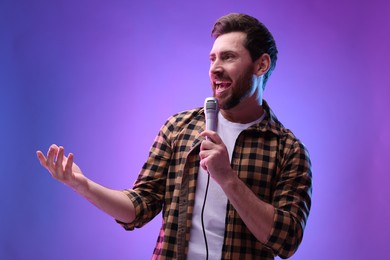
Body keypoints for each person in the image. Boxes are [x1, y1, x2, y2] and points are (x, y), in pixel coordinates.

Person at [36, 13, 312, 259]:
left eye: (228, 57)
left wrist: (227, 178)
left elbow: (286, 241)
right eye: (212, 58)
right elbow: (139, 206)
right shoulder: (179, 128)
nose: (215, 68)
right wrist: (82, 185)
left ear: (261, 65)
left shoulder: (288, 151)